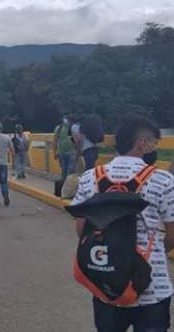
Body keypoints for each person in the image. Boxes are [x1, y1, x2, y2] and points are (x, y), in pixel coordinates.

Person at [71, 116, 174, 332]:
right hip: (152, 287)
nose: (154, 147)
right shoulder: (163, 180)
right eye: (154, 142)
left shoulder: (91, 177)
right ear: (142, 143)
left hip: (106, 282)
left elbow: (81, 229)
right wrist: (157, 251)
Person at [52, 114, 77, 185]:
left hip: (72, 152)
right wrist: (55, 152)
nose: (65, 120)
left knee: (70, 171)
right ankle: (63, 187)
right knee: (63, 171)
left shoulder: (73, 128)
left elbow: (76, 139)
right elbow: (55, 140)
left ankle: (68, 187)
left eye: (67, 119)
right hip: (62, 152)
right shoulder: (59, 128)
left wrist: (77, 151)